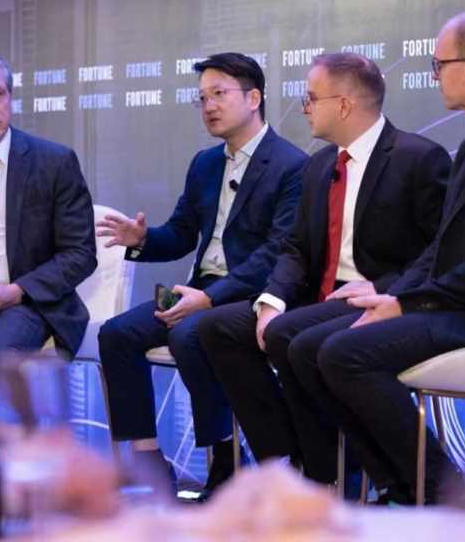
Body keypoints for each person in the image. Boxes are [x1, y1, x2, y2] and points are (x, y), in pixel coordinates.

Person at [286, 10, 465, 505]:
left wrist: (408, 303)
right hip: (462, 306)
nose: (434, 76)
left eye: (439, 65)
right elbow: (442, 247)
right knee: (306, 348)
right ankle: (400, 485)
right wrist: (392, 294)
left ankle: (440, 486)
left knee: (343, 353)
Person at [197, 52, 449, 489]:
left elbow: (440, 251)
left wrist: (385, 287)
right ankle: (288, 458)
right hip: (319, 294)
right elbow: (295, 247)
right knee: (219, 327)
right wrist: (272, 299)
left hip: (377, 296)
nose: (304, 108)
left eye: (312, 99)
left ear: (345, 105)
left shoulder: (418, 158)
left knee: (290, 337)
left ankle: (329, 473)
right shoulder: (318, 164)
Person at [95, 52, 308, 501]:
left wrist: (210, 299)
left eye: (219, 94)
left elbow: (276, 253)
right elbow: (181, 233)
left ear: (254, 98)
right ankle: (149, 462)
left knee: (189, 335)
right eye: (202, 98)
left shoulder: (291, 165)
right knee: (116, 334)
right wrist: (142, 239)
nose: (208, 106)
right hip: (202, 290)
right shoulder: (205, 164)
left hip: (253, 296)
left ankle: (227, 459)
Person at [0, 52, 96, 404]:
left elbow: (80, 253)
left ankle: (27, 440)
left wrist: (16, 291)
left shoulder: (54, 162)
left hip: (26, 302)